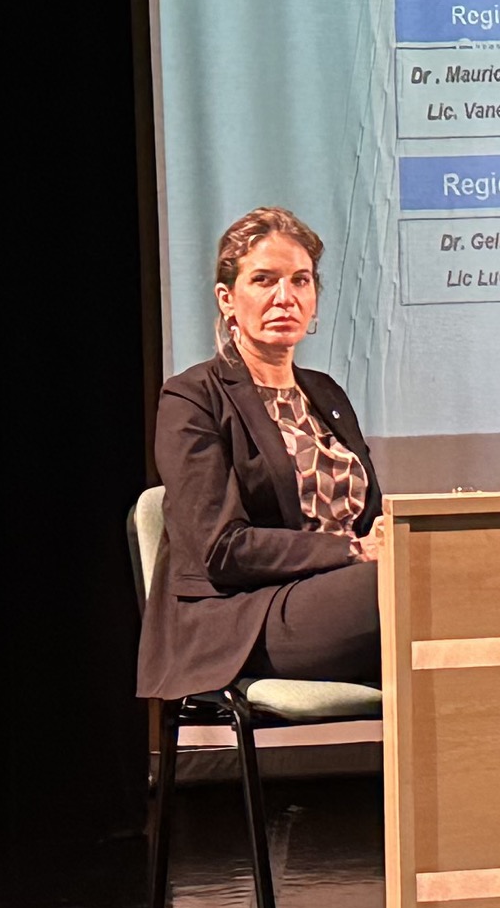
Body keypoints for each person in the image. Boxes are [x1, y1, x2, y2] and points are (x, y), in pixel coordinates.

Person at [139, 207, 384, 706]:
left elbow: (369, 519)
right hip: (245, 615)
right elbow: (221, 548)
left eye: (300, 280)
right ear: (227, 299)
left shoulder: (326, 394)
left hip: (340, 595)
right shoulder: (192, 398)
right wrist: (352, 551)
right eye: (264, 280)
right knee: (406, 589)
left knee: (451, 576)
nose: (285, 297)